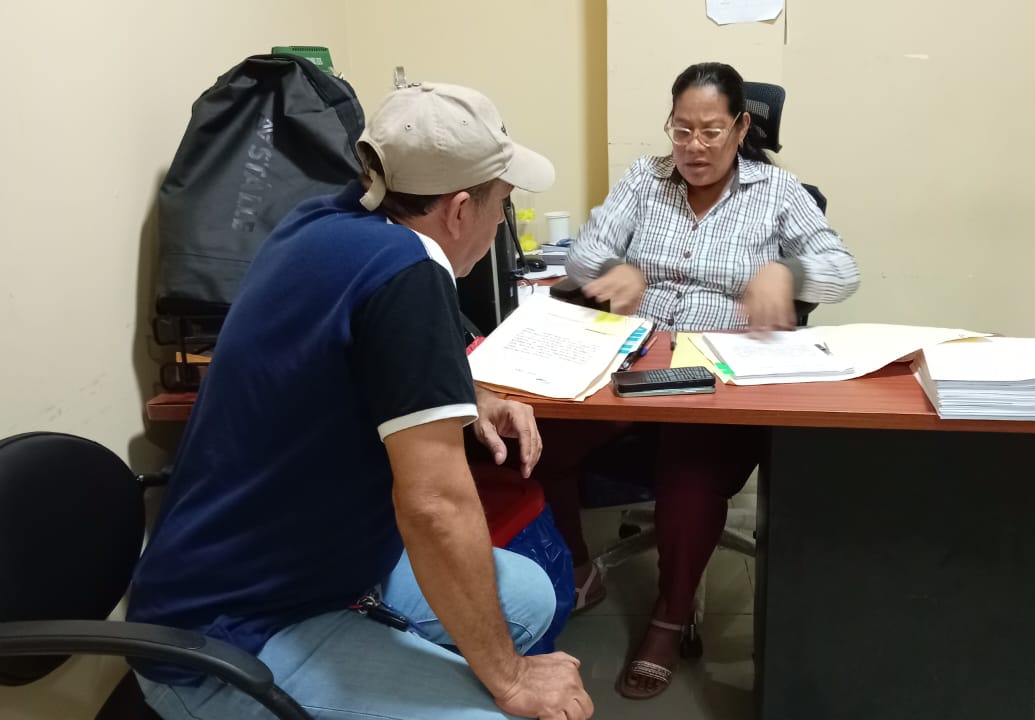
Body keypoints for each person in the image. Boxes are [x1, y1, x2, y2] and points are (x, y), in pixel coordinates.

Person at [127, 83, 594, 720]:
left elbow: (354, 352)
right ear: (460, 210)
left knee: (530, 595)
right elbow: (434, 507)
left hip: (316, 564)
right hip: (226, 635)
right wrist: (510, 679)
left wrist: (467, 393)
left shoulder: (324, 221)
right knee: (500, 711)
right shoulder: (409, 273)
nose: (500, 222)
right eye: (503, 204)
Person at [549, 61, 858, 700]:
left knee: (690, 470)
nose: (694, 146)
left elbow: (842, 270)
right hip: (636, 359)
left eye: (712, 131)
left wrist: (789, 275)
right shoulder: (645, 178)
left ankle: (669, 618)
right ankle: (579, 569)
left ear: (742, 127)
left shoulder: (777, 190)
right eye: (682, 129)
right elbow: (583, 254)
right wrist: (612, 270)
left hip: (720, 373)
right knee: (539, 438)